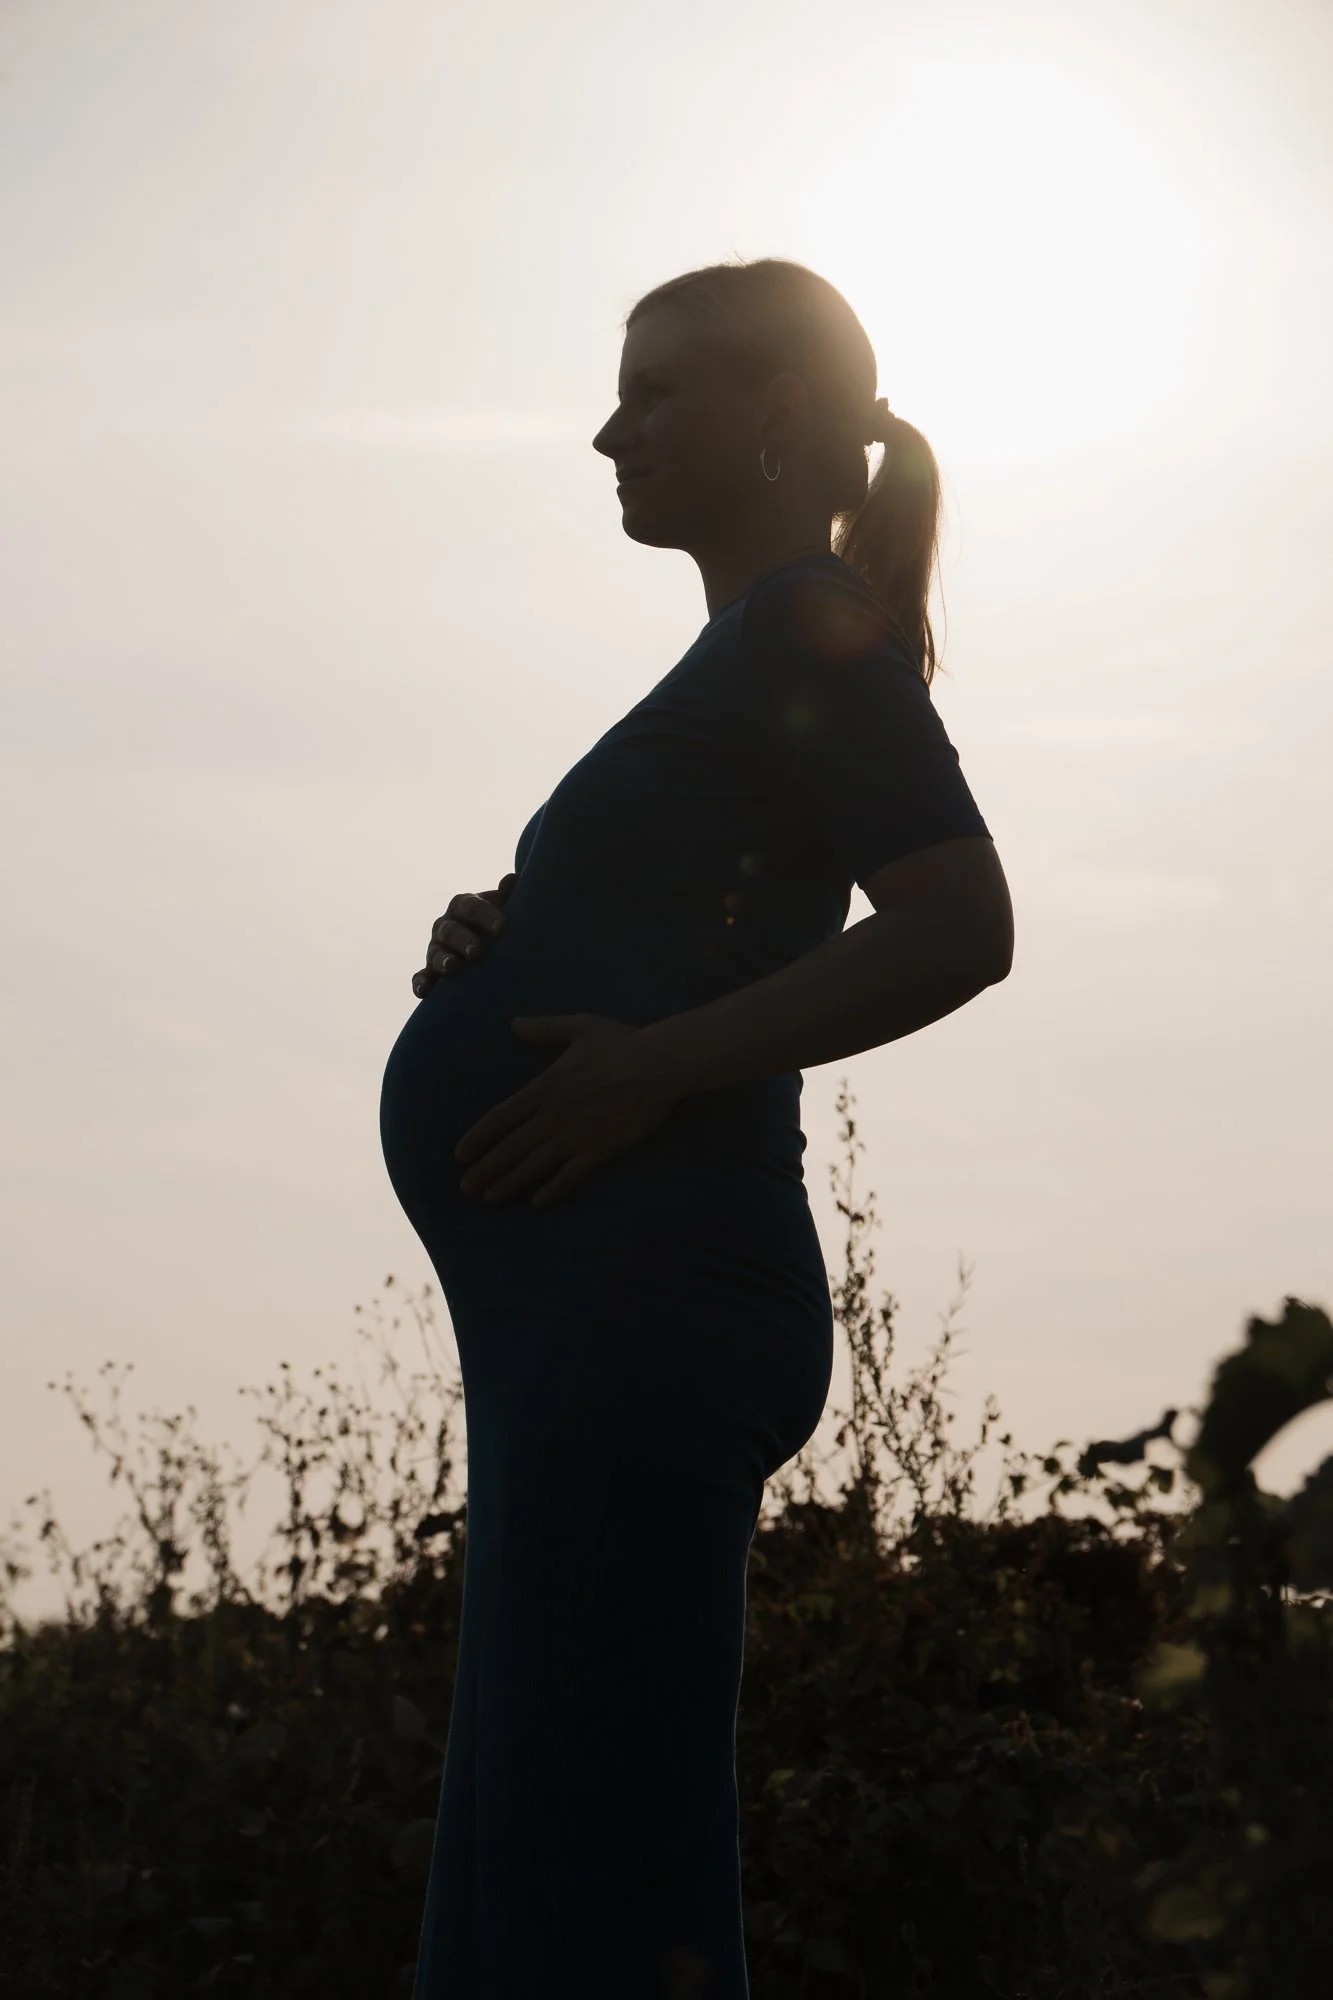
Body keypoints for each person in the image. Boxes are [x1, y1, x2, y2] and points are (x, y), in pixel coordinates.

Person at [378, 255, 1014, 2000]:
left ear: (777, 420)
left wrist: (649, 1062)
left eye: (657, 393)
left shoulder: (814, 634)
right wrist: (505, 937)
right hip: (572, 1318)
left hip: (644, 1297)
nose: (608, 431)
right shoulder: (748, 661)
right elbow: (720, 915)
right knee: (522, 1874)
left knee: (595, 1888)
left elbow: (965, 925)